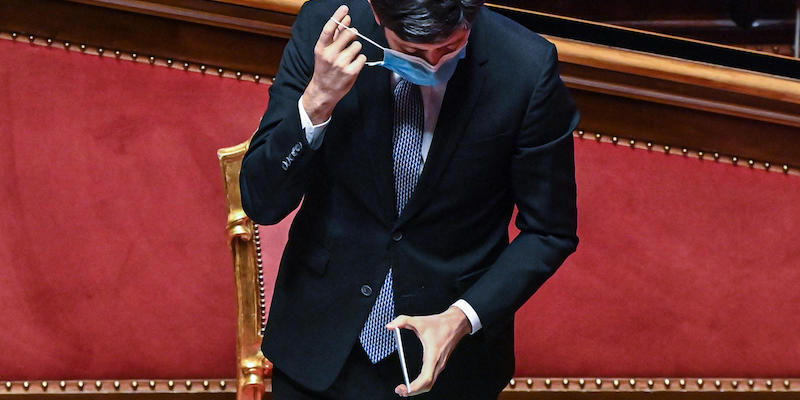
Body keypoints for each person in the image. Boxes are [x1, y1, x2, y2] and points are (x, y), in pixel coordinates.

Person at [239, 0, 580, 398]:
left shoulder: (525, 65)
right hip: (317, 345)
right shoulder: (327, 26)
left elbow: (550, 231)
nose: (433, 67)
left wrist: (462, 317)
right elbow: (261, 200)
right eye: (414, 52)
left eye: (451, 48)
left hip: (451, 361)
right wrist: (317, 101)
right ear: (377, 14)